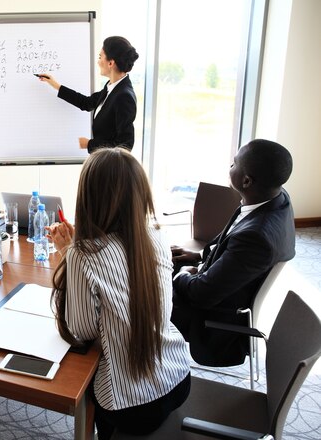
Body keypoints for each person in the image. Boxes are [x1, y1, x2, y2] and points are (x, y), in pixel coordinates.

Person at [48, 148, 190, 437]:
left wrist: (68, 256)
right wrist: (71, 252)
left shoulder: (83, 256)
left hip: (130, 406)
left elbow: (82, 330)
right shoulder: (157, 238)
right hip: (178, 378)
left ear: (87, 198)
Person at [171, 139, 296, 367]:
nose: (230, 165)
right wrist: (199, 256)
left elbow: (201, 295)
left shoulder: (256, 237)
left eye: (234, 163)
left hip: (211, 317)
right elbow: (234, 239)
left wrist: (182, 275)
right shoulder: (274, 197)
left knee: (137, 294)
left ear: (247, 180)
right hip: (223, 284)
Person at [38, 36, 139, 152]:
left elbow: (125, 145)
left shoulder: (124, 96)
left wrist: (89, 144)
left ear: (111, 63)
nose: (98, 61)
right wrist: (55, 85)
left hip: (110, 166)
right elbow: (86, 103)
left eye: (100, 57)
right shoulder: (111, 87)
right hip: (102, 160)